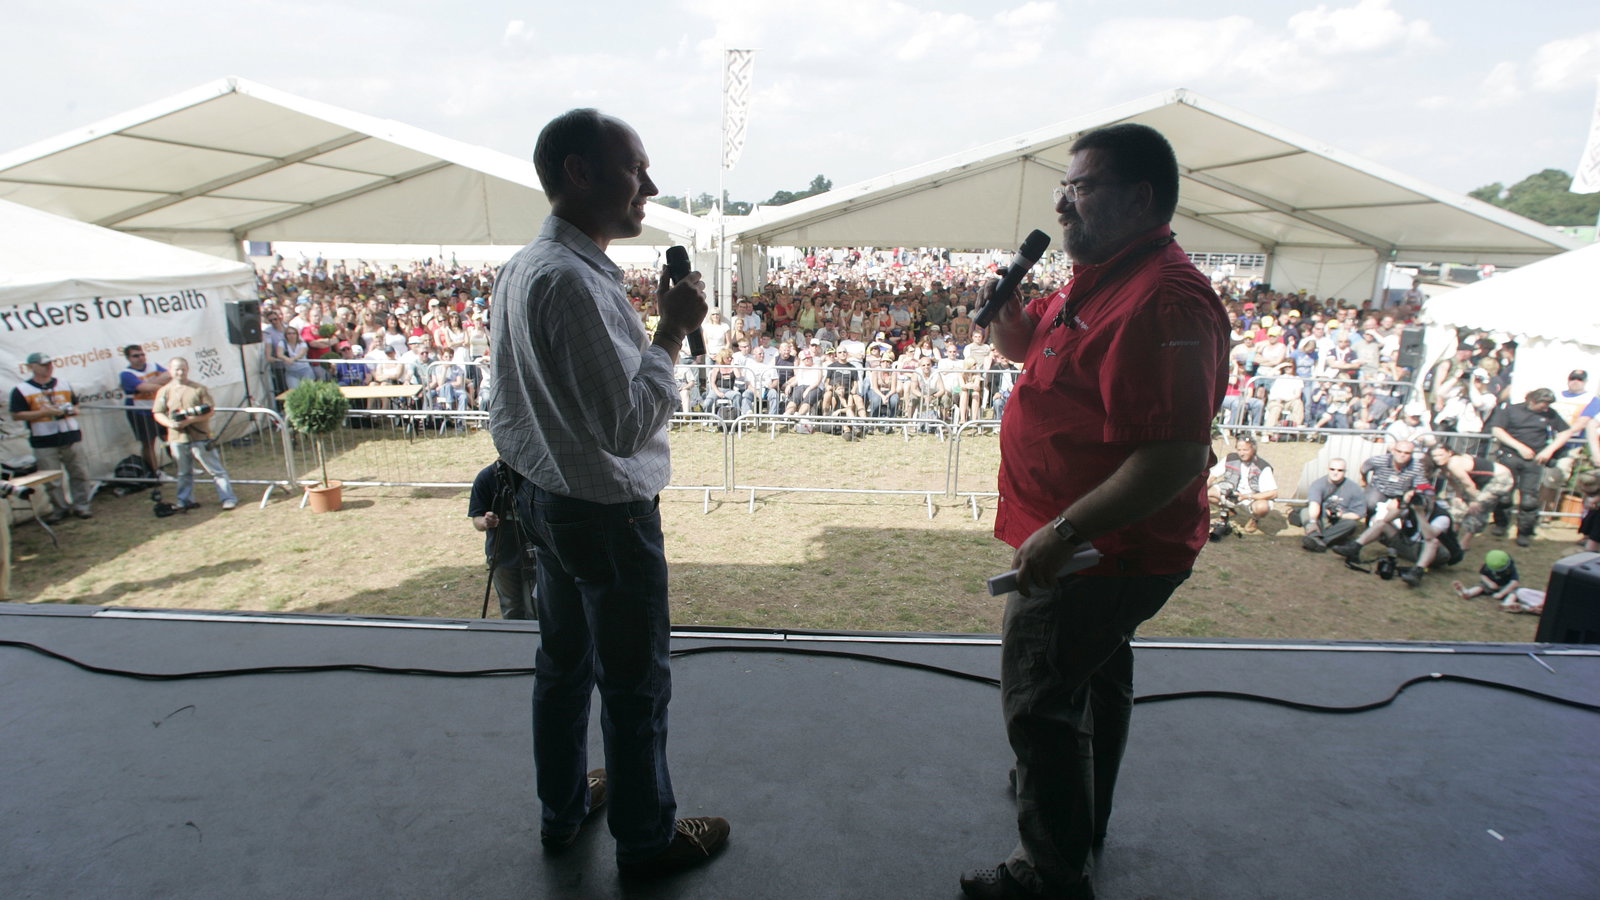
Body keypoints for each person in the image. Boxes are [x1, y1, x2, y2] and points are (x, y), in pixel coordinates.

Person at [961, 123, 1228, 900]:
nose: (1062, 204)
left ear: (1140, 198)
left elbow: (1175, 457)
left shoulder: (1165, 302)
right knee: (1094, 680)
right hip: (1082, 542)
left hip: (1101, 553)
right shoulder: (1098, 275)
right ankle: (1081, 816)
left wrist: (1065, 531)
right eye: (1064, 187)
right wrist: (1009, 321)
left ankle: (1049, 872)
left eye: (1081, 188)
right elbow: (1037, 352)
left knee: (1039, 700)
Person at [487, 109, 728, 874]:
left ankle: (562, 810)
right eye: (636, 169)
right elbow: (624, 427)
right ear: (579, 172)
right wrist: (670, 332)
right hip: (605, 519)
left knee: (562, 667)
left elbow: (509, 408)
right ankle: (646, 841)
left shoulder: (526, 268)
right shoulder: (570, 282)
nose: (649, 187)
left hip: (545, 502)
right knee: (634, 687)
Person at [9, 352, 92, 523]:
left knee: (79, 472)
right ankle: (60, 508)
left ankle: (82, 505)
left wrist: (73, 410)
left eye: (50, 364)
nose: (48, 368)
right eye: (43, 365)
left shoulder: (63, 383)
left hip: (70, 434)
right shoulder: (22, 390)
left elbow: (75, 404)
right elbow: (17, 414)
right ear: (31, 367)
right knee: (52, 478)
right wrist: (43, 413)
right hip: (43, 439)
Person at [151, 357, 239, 511]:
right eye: (177, 369)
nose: (180, 372)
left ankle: (228, 498)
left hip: (200, 436)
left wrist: (191, 420)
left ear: (188, 369)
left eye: (183, 369)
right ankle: (184, 501)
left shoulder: (199, 389)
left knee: (216, 470)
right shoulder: (164, 391)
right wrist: (170, 423)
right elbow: (157, 412)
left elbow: (209, 411)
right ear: (170, 371)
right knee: (183, 472)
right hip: (177, 438)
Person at [1487, 388, 1568, 547]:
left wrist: (1549, 451)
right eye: (1544, 404)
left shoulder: (1550, 414)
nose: (1546, 407)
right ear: (1532, 400)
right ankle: (1501, 524)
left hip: (1534, 460)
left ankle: (1524, 532)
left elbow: (1565, 432)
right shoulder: (1511, 410)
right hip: (1510, 456)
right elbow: (1497, 429)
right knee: (1504, 495)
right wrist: (1519, 447)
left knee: (1529, 500)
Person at [467, 461, 535, 620]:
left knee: (536, 608)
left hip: (534, 555)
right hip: (502, 555)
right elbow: (476, 518)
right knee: (511, 608)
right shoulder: (486, 477)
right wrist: (485, 522)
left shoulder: (533, 474)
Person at [119, 344, 171, 477]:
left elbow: (169, 376)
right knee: (149, 443)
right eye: (136, 356)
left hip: (158, 409)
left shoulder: (153, 366)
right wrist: (157, 383)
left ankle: (183, 466)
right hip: (140, 412)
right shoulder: (126, 374)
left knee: (169, 438)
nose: (140, 358)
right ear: (128, 358)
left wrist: (151, 382)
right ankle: (155, 473)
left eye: (142, 354)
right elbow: (144, 388)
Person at [1293, 457, 1366, 551]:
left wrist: (1340, 515)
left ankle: (1319, 541)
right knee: (1306, 511)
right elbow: (1314, 504)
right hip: (1321, 518)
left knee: (1351, 524)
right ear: (1328, 469)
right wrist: (1313, 521)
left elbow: (1358, 514)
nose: (1335, 473)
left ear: (1345, 471)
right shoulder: (1318, 484)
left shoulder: (1354, 488)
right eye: (1332, 469)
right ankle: (1314, 535)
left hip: (1340, 521)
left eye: (1340, 470)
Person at [1207, 437, 1278, 534]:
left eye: (1245, 450)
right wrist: (1199, 490)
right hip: (1231, 491)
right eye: (1239, 450)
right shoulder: (1230, 458)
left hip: (1251, 497)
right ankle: (1228, 510)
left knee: (1262, 507)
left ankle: (1254, 519)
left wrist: (1246, 496)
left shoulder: (1263, 467)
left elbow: (1273, 493)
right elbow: (1212, 476)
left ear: (1253, 450)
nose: (1241, 453)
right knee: (1206, 493)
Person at [1453, 549, 1521, 607]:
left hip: (1506, 587)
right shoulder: (1486, 567)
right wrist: (1490, 583)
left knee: (1515, 592)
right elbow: (1483, 575)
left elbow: (1514, 582)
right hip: (1491, 585)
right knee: (1481, 587)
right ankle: (1468, 593)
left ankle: (1508, 603)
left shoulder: (1511, 568)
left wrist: (1502, 593)